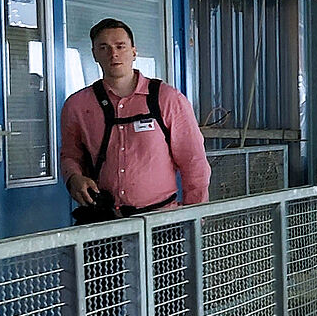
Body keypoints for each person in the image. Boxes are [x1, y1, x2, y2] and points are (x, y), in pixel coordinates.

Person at [61, 16, 210, 223]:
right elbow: (70, 155)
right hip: (103, 223)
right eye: (104, 48)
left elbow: (193, 160)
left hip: (160, 221)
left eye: (120, 46)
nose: (113, 54)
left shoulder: (167, 99)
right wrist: (73, 178)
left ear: (134, 51)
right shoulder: (77, 105)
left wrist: (195, 214)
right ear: (94, 54)